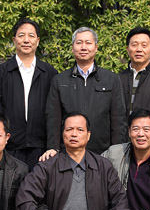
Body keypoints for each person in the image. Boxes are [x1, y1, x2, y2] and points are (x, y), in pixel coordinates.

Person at [43, 27, 126, 157]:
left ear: (96, 47)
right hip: (68, 152)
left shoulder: (111, 79)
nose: (83, 47)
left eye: (88, 43)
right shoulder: (60, 80)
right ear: (72, 48)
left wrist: (117, 152)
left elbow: (118, 120)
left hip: (103, 153)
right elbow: (53, 119)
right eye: (79, 43)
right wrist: (53, 148)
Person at [0, 18, 58, 170]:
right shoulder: (0, 73)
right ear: (14, 40)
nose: (26, 40)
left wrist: (52, 146)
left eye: (31, 36)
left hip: (41, 150)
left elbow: (55, 114)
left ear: (37, 41)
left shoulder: (50, 73)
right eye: (21, 35)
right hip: (9, 149)